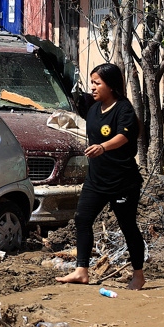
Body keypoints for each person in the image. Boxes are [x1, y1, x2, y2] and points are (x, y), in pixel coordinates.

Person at [56, 63, 147, 290]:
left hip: (122, 182)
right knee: (82, 219)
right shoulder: (94, 108)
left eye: (97, 83)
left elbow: (123, 137)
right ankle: (81, 271)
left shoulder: (124, 110)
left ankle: (138, 274)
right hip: (96, 179)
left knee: (128, 226)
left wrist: (103, 147)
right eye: (92, 83)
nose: (93, 87)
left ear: (111, 85)